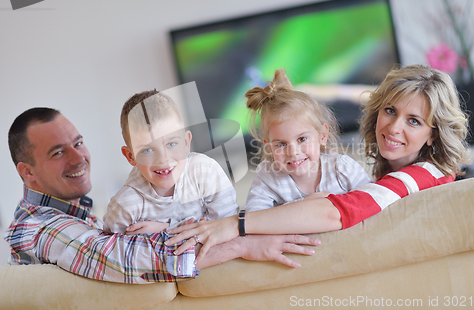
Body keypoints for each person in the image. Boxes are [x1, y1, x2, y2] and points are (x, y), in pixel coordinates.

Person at [167, 64, 470, 263]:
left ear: (434, 134)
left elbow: (337, 213)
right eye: (390, 110)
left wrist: (237, 227)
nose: (393, 127)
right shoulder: (391, 173)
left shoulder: (424, 175)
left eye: (414, 121)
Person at [3, 108, 321, 284]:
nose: (78, 158)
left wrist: (169, 229)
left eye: (78, 142)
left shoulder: (73, 215)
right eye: (58, 152)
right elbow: (126, 260)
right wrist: (244, 242)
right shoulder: (40, 228)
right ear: (28, 172)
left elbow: (128, 243)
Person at [102, 90, 238, 235]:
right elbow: (112, 250)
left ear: (186, 142)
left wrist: (166, 229)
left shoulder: (205, 172)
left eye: (171, 144)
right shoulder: (125, 206)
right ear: (130, 156)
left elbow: (229, 226)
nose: (163, 159)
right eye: (147, 150)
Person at [244, 68, 371, 212]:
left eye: (302, 139)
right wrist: (304, 204)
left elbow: (371, 202)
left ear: (322, 136)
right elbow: (252, 218)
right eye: (281, 144)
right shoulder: (268, 177)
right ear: (269, 147)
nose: (293, 152)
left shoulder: (342, 168)